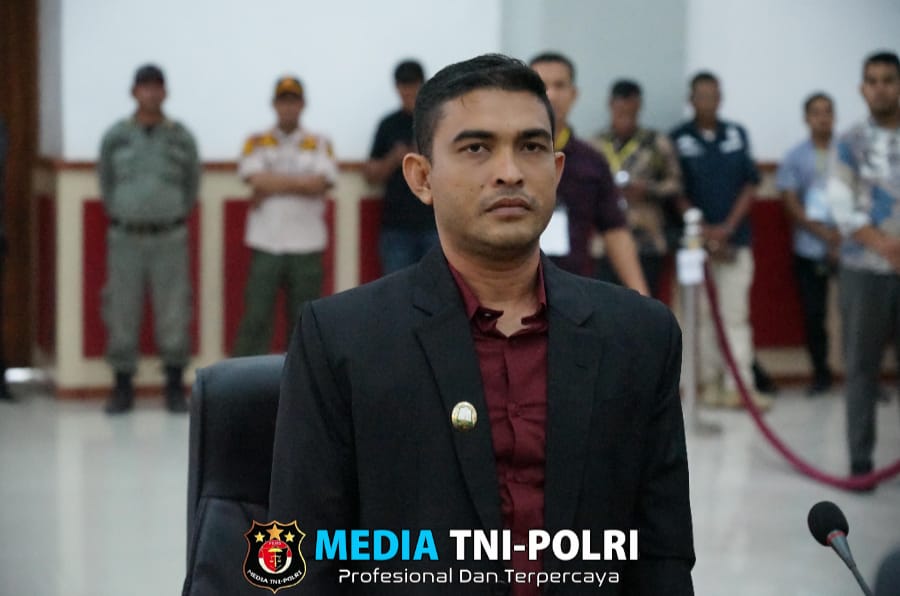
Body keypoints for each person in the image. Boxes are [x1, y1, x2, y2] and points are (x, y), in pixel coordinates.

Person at [269, 53, 694, 595]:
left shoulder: (639, 337)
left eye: (531, 147)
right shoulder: (342, 340)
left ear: (557, 171)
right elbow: (299, 562)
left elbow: (661, 556)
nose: (510, 172)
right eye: (477, 148)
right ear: (422, 177)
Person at [97, 64, 199, 414]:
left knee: (174, 311)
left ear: (165, 93)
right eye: (144, 87)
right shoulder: (116, 136)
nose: (151, 93)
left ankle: (174, 386)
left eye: (157, 87)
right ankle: (122, 386)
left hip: (169, 235)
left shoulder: (180, 137)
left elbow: (192, 184)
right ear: (134, 92)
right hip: (125, 236)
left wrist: (170, 212)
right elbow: (106, 182)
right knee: (121, 310)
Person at [670, 72, 772, 411]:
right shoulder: (678, 138)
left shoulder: (736, 134)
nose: (708, 102)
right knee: (700, 317)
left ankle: (739, 386)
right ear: (691, 100)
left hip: (735, 241)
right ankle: (708, 384)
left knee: (735, 315)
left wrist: (727, 228)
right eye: (701, 95)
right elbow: (675, 191)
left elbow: (750, 183)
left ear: (721, 98)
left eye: (713, 95)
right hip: (695, 245)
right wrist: (703, 231)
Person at [824, 51, 900, 479]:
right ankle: (861, 461)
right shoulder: (849, 142)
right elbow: (842, 208)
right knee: (861, 369)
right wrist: (887, 247)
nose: (881, 88)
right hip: (863, 271)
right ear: (862, 89)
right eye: (873, 81)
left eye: (889, 79)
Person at [231, 76, 337, 356]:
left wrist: (272, 182)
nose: (288, 107)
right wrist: (301, 182)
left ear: (303, 105)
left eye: (293, 101)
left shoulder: (319, 142)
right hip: (266, 242)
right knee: (256, 318)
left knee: (305, 323)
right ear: (274, 104)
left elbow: (320, 183)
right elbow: (254, 180)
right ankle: (245, 379)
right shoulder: (256, 141)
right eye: (283, 101)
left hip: (307, 245)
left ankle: (303, 381)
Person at [528, 53, 649, 295]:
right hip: (512, 289)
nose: (551, 95)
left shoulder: (591, 161)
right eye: (542, 86)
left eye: (560, 85)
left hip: (574, 290)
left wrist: (641, 295)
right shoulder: (507, 157)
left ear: (574, 94)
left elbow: (615, 230)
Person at [593, 79, 683, 298]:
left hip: (647, 239)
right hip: (605, 242)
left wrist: (649, 189)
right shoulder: (595, 145)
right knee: (604, 304)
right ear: (610, 105)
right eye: (620, 111)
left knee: (644, 305)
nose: (625, 117)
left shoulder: (657, 143)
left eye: (630, 111)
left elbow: (676, 183)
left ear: (639, 106)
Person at [775, 93, 840, 396]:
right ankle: (821, 374)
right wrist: (824, 235)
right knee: (814, 315)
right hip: (809, 247)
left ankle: (865, 377)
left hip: (852, 246)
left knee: (861, 315)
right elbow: (791, 204)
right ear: (806, 118)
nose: (822, 118)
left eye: (827, 112)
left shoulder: (848, 153)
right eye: (816, 112)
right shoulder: (795, 157)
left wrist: (842, 235)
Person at [364, 60, 438, 274]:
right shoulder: (388, 125)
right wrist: (394, 159)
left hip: (435, 222)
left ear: (422, 84)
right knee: (397, 287)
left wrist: (425, 159)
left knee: (438, 285)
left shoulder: (436, 121)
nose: (408, 91)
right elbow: (370, 174)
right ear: (396, 87)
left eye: (413, 84)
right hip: (396, 226)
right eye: (403, 85)